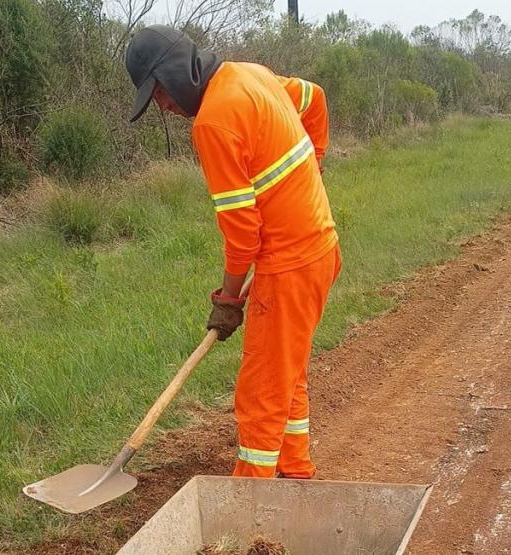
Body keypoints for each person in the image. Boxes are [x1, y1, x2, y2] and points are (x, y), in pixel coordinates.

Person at [125, 26, 341, 479]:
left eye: (160, 93)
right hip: (320, 250)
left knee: (261, 391)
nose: (162, 107)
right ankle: (295, 473)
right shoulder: (252, 74)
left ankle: (249, 510)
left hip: (288, 267)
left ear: (176, 72)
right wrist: (315, 165)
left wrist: (227, 301)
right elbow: (314, 97)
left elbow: (244, 235)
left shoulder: (213, 123)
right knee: (287, 372)